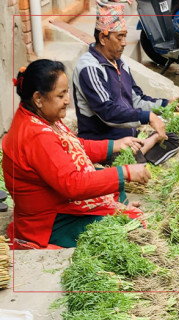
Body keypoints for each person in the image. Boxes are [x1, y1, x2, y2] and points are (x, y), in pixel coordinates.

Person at [2, 59, 152, 249]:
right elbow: (73, 185)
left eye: (67, 92)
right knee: (126, 227)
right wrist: (125, 172)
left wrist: (116, 145)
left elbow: (75, 146)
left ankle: (115, 209)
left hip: (57, 202)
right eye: (61, 95)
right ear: (38, 99)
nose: (67, 100)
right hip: (50, 222)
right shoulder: (36, 136)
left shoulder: (41, 118)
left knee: (112, 184)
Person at [73, 1, 179, 165]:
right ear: (103, 38)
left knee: (172, 137)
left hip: (130, 138)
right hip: (107, 144)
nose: (124, 42)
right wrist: (147, 117)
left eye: (125, 36)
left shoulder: (120, 63)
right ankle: (139, 154)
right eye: (120, 37)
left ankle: (140, 151)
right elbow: (108, 112)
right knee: (127, 159)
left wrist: (165, 105)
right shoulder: (89, 68)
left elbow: (136, 99)